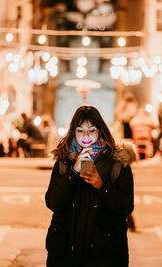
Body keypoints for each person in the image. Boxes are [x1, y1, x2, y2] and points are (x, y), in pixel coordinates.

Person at [45, 105, 136, 267]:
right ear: (74, 131)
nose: (85, 136)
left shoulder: (117, 162)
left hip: (103, 255)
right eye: (80, 130)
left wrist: (102, 187)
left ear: (100, 131)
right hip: (67, 252)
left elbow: (126, 206)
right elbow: (53, 202)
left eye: (91, 130)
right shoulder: (64, 160)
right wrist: (74, 171)